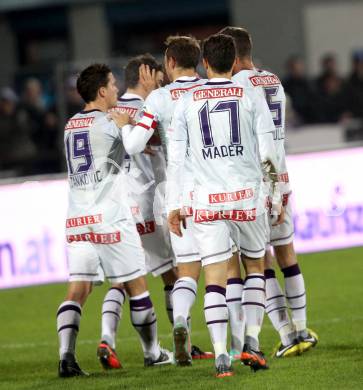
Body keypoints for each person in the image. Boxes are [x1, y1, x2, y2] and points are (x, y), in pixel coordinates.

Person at [166, 34, 283, 377]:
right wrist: (275, 197)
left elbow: (176, 159)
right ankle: (252, 342)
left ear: (205, 63)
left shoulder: (186, 101)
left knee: (215, 277)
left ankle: (220, 356)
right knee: (254, 269)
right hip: (246, 198)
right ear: (234, 63)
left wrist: (174, 205)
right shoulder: (251, 94)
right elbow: (268, 153)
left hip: (206, 201)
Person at [57, 63, 172, 378]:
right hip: (110, 215)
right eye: (113, 85)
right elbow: (144, 133)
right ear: (101, 91)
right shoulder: (109, 120)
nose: (118, 90)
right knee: (136, 283)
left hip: (78, 218)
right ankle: (153, 353)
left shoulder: (70, 124)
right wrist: (148, 99)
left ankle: (66, 357)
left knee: (77, 289)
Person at [118, 36, 217, 364]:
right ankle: (240, 345)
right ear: (200, 61)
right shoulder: (212, 90)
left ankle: (180, 325)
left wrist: (124, 125)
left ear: (170, 62)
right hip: (216, 190)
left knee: (184, 270)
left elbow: (133, 146)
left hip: (175, 197)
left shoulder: (159, 98)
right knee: (228, 269)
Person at [221, 26, 318, 357]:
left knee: (259, 261)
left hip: (255, 182)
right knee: (287, 254)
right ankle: (302, 328)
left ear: (230, 56)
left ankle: (286, 333)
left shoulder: (234, 87)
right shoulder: (273, 79)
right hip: (283, 178)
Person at [96, 54, 177, 370]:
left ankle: (106, 338)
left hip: (116, 207)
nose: (163, 78)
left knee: (121, 280)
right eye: (159, 74)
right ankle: (179, 334)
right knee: (171, 273)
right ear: (147, 74)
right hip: (147, 206)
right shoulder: (151, 109)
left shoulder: (110, 113)